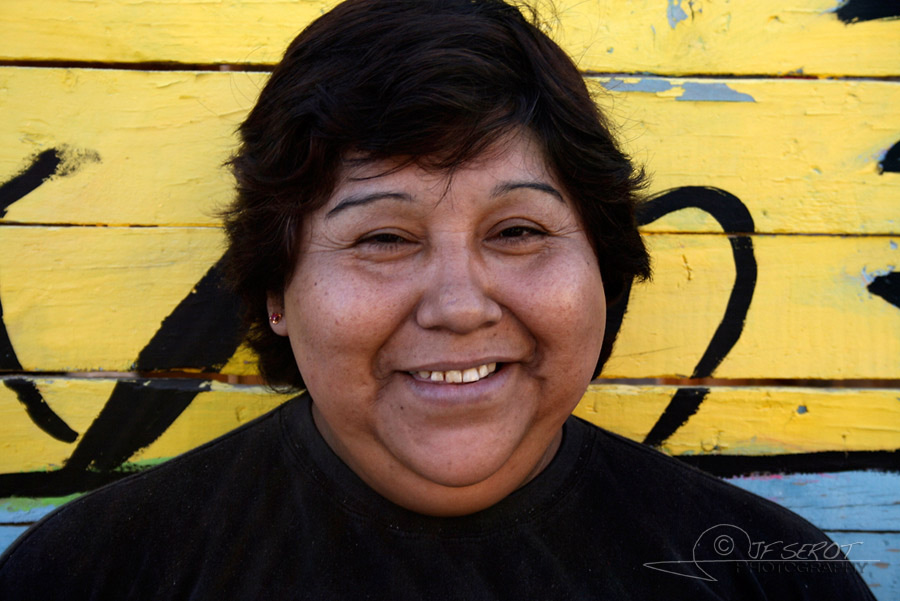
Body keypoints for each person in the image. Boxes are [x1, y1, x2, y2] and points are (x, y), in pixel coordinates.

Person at [0, 0, 876, 599]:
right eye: (383, 239)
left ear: (602, 267)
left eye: (518, 231)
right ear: (276, 290)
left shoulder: (774, 577)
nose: (459, 306)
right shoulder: (90, 575)